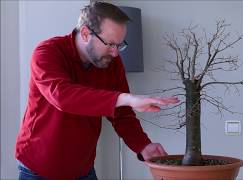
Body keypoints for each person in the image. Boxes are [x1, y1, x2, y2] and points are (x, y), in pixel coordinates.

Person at [15, 2, 179, 180]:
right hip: (39, 168)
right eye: (110, 44)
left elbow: (122, 114)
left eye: (120, 44)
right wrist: (125, 98)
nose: (116, 53)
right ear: (85, 33)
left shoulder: (111, 62)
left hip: (83, 169)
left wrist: (142, 145)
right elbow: (62, 96)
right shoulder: (47, 52)